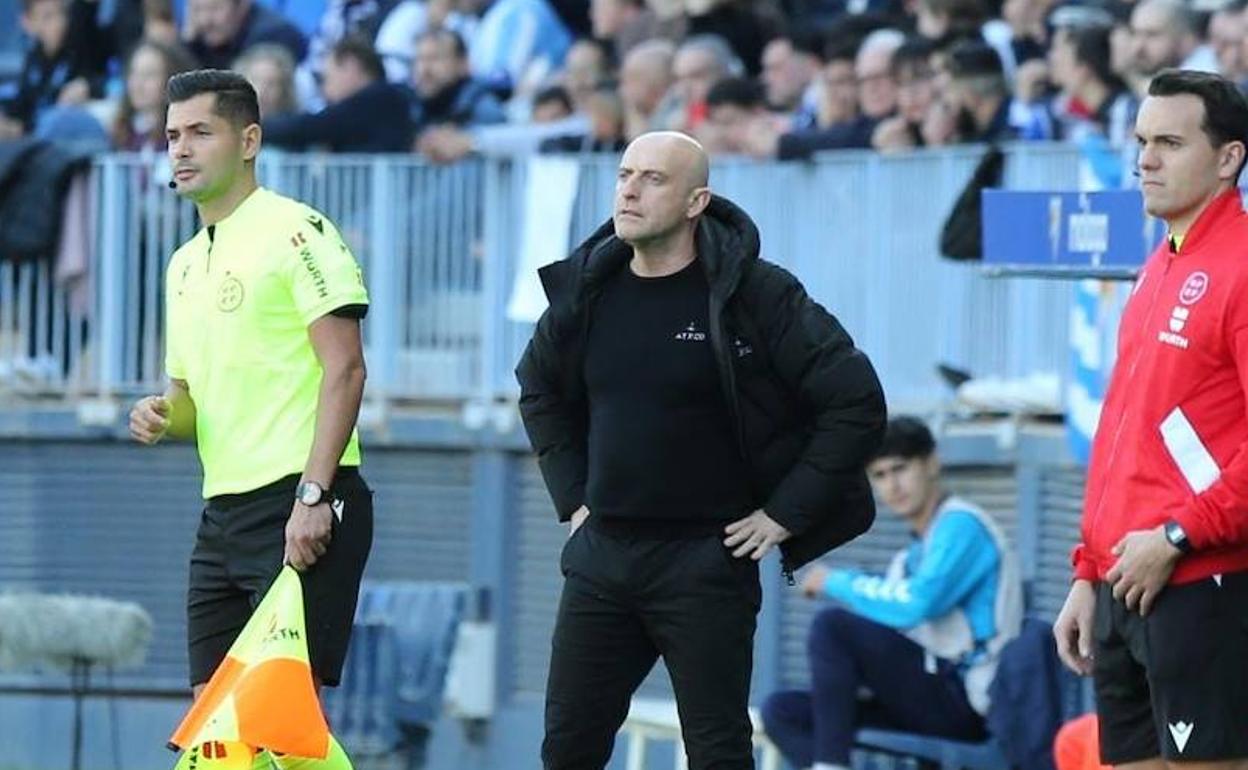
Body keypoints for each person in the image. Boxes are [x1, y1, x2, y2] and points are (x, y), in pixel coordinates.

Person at [516, 130, 886, 769]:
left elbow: (855, 402)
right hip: (603, 555)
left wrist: (783, 515)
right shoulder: (590, 289)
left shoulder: (755, 294)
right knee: (567, 749)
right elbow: (538, 388)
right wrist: (573, 500)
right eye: (625, 175)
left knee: (717, 752)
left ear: (696, 201)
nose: (629, 190)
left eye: (652, 179)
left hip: (706, 561)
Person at [128, 69, 372, 770]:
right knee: (217, 718)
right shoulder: (180, 266)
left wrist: (314, 497)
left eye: (201, 132)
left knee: (284, 720)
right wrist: (159, 416)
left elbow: (346, 370)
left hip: (300, 498)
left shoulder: (297, 231)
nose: (181, 149)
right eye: (173, 135)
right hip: (221, 514)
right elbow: (189, 407)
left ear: (249, 140)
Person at [1054, 69, 1248, 767]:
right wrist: (1088, 571)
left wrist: (1176, 534)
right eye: (1141, 141)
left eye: (1169, 141)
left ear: (1229, 158)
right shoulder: (1154, 265)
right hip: (1120, 584)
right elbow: (1124, 435)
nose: (1146, 160)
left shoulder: (1243, 264)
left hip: (1200, 582)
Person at [762, 417, 1023, 770]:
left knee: (833, 626)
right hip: (925, 696)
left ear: (931, 463)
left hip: (967, 702)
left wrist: (835, 582)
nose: (892, 485)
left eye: (900, 469)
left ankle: (830, 765)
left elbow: (916, 605)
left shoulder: (962, 526)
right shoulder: (910, 556)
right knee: (783, 711)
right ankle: (830, 761)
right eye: (880, 476)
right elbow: (887, 633)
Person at [264, 36, 412, 153]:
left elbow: (313, 126)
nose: (324, 90)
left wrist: (255, 128)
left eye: (326, 79)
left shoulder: (380, 99)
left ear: (350, 65)